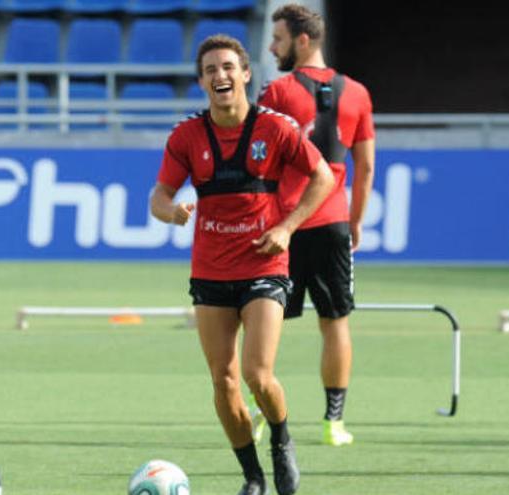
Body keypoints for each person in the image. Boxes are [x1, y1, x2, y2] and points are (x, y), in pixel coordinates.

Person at [150, 35, 334, 495]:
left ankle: (282, 440)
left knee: (257, 373)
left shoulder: (274, 127)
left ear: (246, 74)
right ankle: (252, 476)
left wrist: (288, 228)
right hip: (210, 272)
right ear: (202, 81)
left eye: (228, 67)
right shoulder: (187, 136)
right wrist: (170, 211)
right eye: (211, 69)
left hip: (264, 268)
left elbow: (323, 177)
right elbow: (159, 195)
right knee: (223, 380)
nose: (221, 76)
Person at [250, 3, 376, 446]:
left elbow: (258, 161)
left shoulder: (276, 92)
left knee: (267, 321)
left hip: (283, 225)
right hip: (332, 223)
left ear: (302, 40)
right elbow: (366, 166)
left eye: (278, 39)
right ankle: (334, 424)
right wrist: (355, 220)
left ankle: (262, 415)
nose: (272, 46)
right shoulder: (357, 93)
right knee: (335, 322)